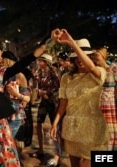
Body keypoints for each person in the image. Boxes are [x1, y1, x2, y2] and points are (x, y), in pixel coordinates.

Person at [50, 29, 109, 167]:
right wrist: (55, 123)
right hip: (72, 129)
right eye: (75, 56)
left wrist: (71, 43)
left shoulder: (100, 73)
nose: (79, 59)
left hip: (95, 131)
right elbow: (63, 102)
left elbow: (91, 67)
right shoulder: (66, 77)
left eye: (82, 55)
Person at [29, 53, 61, 167]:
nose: (39, 63)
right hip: (43, 102)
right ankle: (41, 149)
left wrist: (47, 93)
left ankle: (57, 154)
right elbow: (37, 86)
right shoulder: (40, 73)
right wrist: (39, 92)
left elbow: (58, 86)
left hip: (53, 102)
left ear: (47, 62)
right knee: (38, 123)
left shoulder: (54, 72)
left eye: (41, 61)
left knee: (55, 126)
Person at [91, 47, 117, 151]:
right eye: (93, 56)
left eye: (96, 55)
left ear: (103, 56)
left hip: (109, 104)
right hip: (96, 104)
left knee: (110, 133)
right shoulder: (93, 70)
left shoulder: (113, 68)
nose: (94, 58)